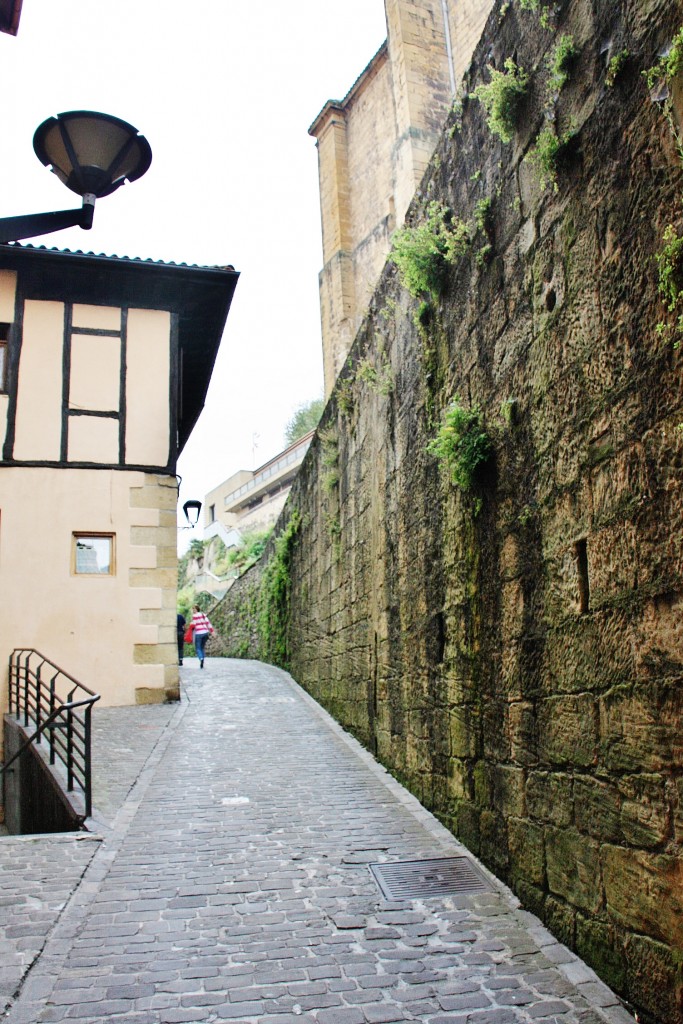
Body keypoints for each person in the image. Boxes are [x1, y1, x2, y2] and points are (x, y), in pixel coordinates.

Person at [191, 604, 215, 669]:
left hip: (198, 633)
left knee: (198, 648)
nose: (193, 610)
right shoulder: (203, 615)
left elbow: (193, 624)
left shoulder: (194, 616)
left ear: (196, 609)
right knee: (202, 648)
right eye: (193, 609)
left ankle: (201, 659)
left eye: (194, 609)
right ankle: (202, 661)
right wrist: (212, 631)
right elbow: (208, 623)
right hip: (205, 633)